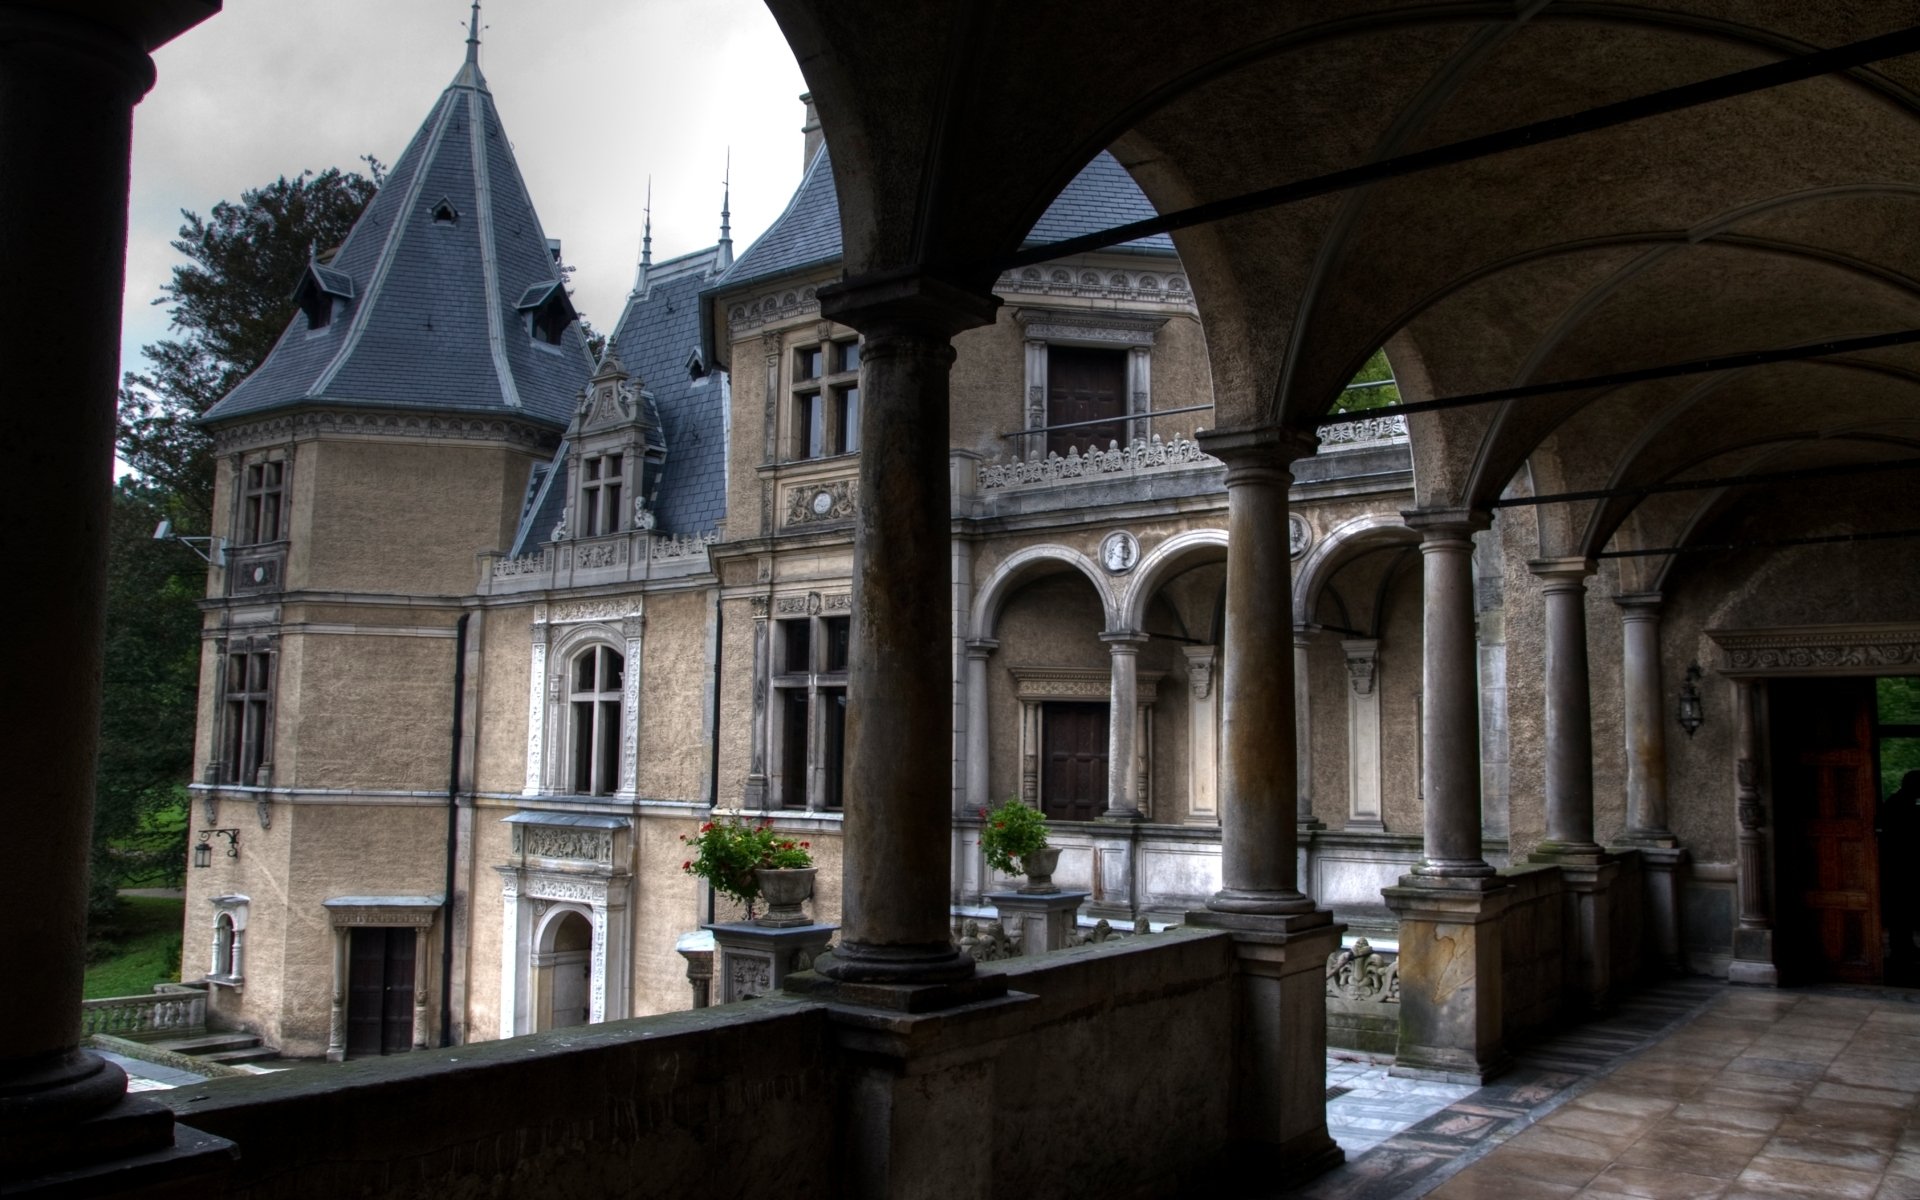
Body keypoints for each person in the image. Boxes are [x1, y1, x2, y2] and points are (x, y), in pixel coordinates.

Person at [1884, 770, 1920, 981]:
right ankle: (1900, 950)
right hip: (1898, 867)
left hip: (1904, 866)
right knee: (1900, 909)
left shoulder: (1904, 804)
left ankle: (1905, 946)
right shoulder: (1897, 805)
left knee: (1904, 910)